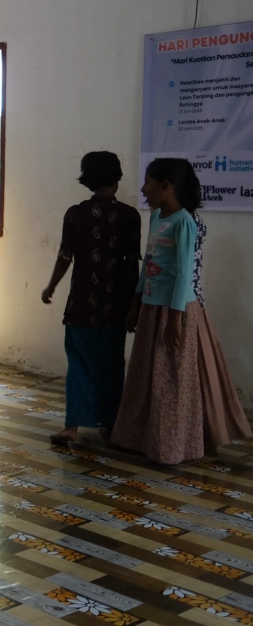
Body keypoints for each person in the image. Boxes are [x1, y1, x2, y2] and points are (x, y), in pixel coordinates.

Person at [41, 152, 141, 445]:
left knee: (80, 365)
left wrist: (51, 286)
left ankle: (71, 427)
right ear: (118, 179)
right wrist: (134, 305)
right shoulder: (129, 216)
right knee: (111, 365)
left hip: (81, 305)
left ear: (86, 180)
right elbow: (133, 263)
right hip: (116, 307)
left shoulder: (74, 214)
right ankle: (109, 426)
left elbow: (64, 256)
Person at [112, 158, 203, 464]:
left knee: (169, 382)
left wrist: (175, 319)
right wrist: (136, 303)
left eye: (148, 181)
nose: (143, 188)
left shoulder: (184, 223)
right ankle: (137, 440)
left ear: (166, 186)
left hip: (173, 312)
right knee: (144, 377)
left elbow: (183, 274)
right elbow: (147, 265)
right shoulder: (156, 217)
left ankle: (170, 448)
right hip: (151, 309)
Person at [189, 198, 252, 448]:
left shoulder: (188, 222)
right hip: (193, 305)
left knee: (203, 377)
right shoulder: (186, 221)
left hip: (190, 306)